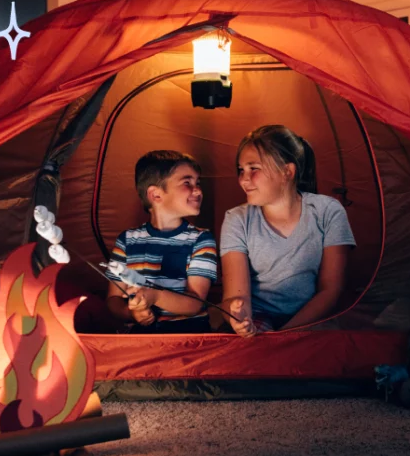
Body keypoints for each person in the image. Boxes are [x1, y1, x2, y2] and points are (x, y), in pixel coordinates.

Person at [220, 124, 356, 337]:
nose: (244, 179)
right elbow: (236, 297)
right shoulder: (237, 219)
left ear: (287, 172)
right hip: (259, 318)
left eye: (253, 168)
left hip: (313, 316)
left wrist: (284, 336)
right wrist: (238, 317)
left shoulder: (328, 211)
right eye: (241, 170)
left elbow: (330, 291)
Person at [105, 150, 217, 334]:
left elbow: (196, 302)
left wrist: (154, 296)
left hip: (188, 334)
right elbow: (113, 299)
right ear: (156, 195)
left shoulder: (201, 239)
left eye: (198, 183)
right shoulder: (126, 241)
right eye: (187, 183)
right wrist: (132, 313)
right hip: (140, 336)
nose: (197, 190)